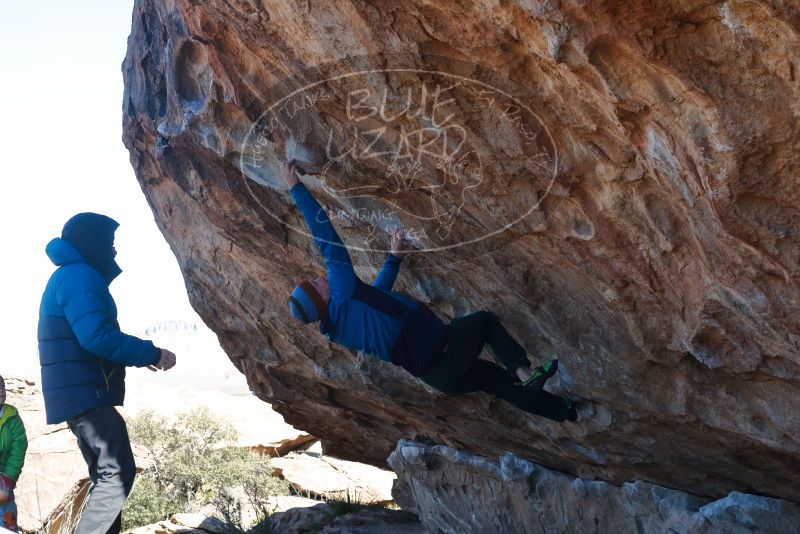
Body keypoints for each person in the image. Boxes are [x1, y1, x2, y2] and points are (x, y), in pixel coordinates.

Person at [280, 161, 577, 422]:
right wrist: (296, 189)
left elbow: (378, 297)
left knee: (499, 383)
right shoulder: (342, 292)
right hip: (443, 350)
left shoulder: (340, 324)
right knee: (484, 322)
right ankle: (526, 374)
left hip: (436, 376)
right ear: (322, 299)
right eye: (315, 285)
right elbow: (327, 240)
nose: (319, 278)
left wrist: (394, 259)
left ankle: (565, 411)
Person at [37, 213, 178, 534]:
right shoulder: (79, 277)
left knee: (106, 475)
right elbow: (95, 336)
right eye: (109, 244)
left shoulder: (72, 276)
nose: (114, 252)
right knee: (117, 472)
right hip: (85, 393)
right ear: (92, 243)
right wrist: (151, 353)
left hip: (77, 393)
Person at [0, 375, 27, 533]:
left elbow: (19, 449)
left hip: (4, 480)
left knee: (7, 523)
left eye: (2, 387)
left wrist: (7, 481)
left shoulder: (13, 418)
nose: (0, 391)